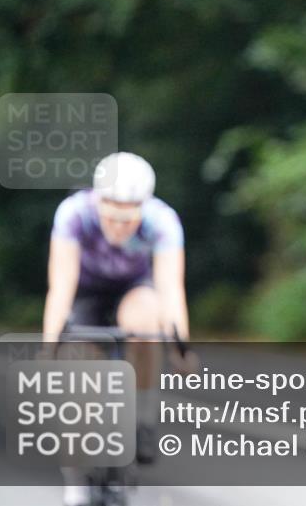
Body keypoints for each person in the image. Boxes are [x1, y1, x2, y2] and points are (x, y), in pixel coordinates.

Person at [44, 152, 193, 505]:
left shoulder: (163, 220)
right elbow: (61, 287)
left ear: (144, 205)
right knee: (77, 376)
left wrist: (180, 348)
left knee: (145, 323)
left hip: (134, 287)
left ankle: (142, 418)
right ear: (98, 202)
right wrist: (49, 348)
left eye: (128, 220)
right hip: (87, 290)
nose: (119, 228)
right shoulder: (74, 214)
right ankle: (77, 484)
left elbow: (171, 289)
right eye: (111, 218)